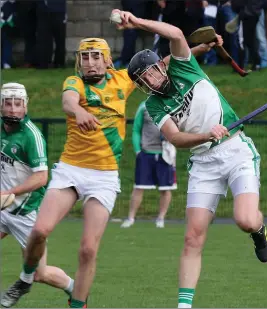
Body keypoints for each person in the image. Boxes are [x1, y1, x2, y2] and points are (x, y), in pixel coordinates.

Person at [3, 35, 223, 308]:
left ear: (108, 61)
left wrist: (200, 47)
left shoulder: (122, 80)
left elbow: (162, 64)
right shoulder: (74, 83)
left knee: (88, 249)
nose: (91, 63)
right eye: (85, 57)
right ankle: (26, 278)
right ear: (79, 62)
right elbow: (68, 102)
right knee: (39, 231)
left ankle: (78, 303)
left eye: (97, 57)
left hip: (104, 176)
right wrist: (78, 113)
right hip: (71, 169)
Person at [112, 8, 267, 308]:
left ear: (161, 66)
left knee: (246, 220)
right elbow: (175, 138)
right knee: (192, 238)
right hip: (203, 161)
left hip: (235, 149)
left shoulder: (183, 66)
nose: (150, 79)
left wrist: (136, 22)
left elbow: (174, 34)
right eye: (142, 79)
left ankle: (259, 230)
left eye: (150, 71)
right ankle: (183, 306)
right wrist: (205, 135)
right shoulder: (154, 106)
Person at [0, 83, 74, 308]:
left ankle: (76, 289)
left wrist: (9, 193)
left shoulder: (32, 136)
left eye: (18, 104)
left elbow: (41, 178)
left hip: (27, 212)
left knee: (40, 274)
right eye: (8, 103)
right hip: (3, 209)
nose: (13, 109)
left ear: (25, 106)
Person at [121, 100, 177, 229]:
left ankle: (160, 218)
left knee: (166, 188)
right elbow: (136, 129)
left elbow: (181, 128)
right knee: (139, 187)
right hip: (146, 153)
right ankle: (130, 218)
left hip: (166, 154)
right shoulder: (144, 106)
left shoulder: (173, 106)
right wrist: (138, 151)